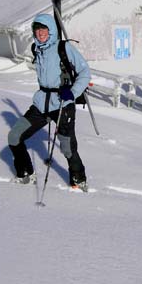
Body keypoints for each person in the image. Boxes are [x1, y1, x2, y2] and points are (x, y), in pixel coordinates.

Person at [7, 13, 91, 191]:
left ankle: (78, 180)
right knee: (14, 137)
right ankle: (26, 174)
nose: (40, 33)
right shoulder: (36, 48)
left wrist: (73, 92)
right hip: (41, 104)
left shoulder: (64, 48)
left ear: (51, 30)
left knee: (68, 148)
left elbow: (85, 72)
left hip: (63, 103)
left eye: (44, 29)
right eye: (37, 30)